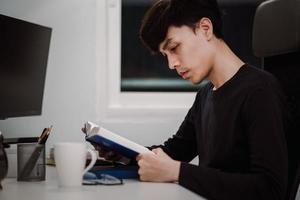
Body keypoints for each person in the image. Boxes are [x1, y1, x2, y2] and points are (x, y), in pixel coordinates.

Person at [85, 0, 288, 199]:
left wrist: (178, 172)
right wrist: (123, 154)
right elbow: (173, 153)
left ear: (205, 29)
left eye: (173, 47)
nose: (171, 64)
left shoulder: (260, 90)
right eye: (165, 55)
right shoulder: (205, 95)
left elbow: (270, 188)